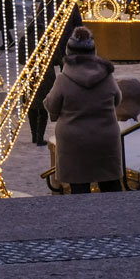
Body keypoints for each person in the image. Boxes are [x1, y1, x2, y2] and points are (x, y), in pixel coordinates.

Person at [44, 26, 123, 194]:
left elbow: (52, 105)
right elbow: (117, 99)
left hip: (74, 143)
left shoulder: (63, 80)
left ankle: (84, 220)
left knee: (79, 191)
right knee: (112, 190)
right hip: (105, 140)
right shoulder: (106, 76)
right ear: (93, 51)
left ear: (69, 53)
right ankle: (116, 219)